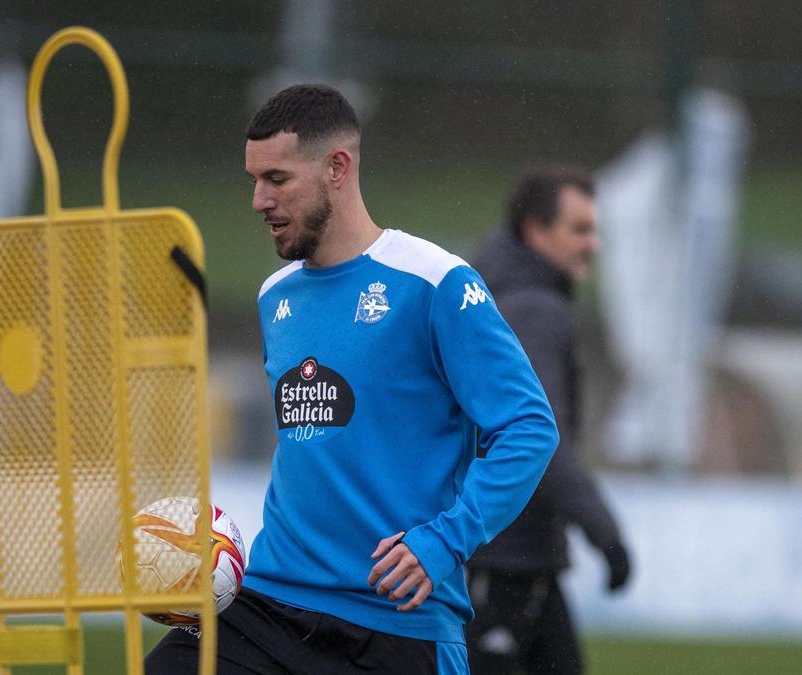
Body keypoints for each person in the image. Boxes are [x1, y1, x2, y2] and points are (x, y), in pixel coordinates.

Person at [146, 85, 559, 675]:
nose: (259, 200)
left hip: (396, 621)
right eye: (254, 180)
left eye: (277, 179)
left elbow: (529, 427)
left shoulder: (436, 282)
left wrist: (445, 540)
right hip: (269, 604)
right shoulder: (275, 297)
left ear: (337, 168)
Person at [464, 166, 632, 675]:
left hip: (517, 556)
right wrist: (604, 532)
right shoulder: (534, 310)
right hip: (503, 559)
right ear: (536, 232)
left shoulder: (498, 296)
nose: (592, 244)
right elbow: (541, 435)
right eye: (579, 229)